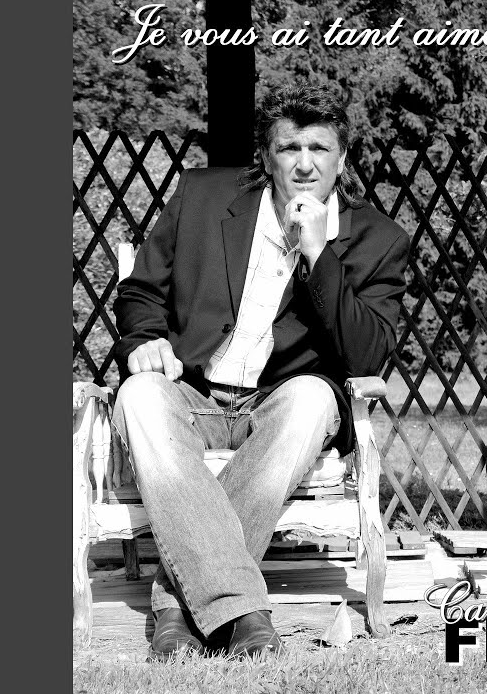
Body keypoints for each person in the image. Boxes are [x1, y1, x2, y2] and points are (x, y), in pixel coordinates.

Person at [110, 84, 410, 660]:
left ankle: (176, 608)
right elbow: (140, 291)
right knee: (140, 393)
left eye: (320, 149)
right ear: (267, 157)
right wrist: (145, 340)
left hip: (280, 404)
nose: (305, 164)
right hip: (191, 391)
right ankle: (242, 613)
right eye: (289, 148)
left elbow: (366, 355)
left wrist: (319, 254)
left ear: (342, 159)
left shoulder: (378, 240)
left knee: (312, 399)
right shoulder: (203, 198)